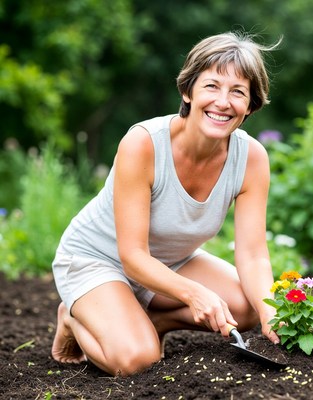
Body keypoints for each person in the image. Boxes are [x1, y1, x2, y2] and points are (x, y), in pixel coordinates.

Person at [51, 31, 281, 377]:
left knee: (248, 308)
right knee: (137, 360)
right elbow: (132, 256)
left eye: (238, 92)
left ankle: (147, 320)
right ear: (187, 91)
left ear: (250, 105)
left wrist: (272, 314)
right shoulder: (143, 144)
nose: (223, 102)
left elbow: (252, 254)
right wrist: (194, 294)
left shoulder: (250, 158)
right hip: (97, 260)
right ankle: (73, 315)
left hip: (169, 262)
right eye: (211, 86)